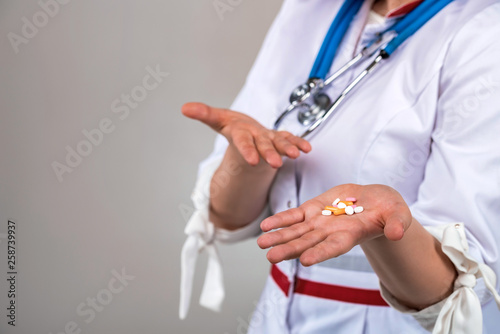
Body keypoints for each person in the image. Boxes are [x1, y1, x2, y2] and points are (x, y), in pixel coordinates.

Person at [179, 0, 500, 332]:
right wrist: (251, 161)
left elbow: (463, 289)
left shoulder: (487, 35)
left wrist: (384, 226)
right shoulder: (308, 8)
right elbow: (226, 217)